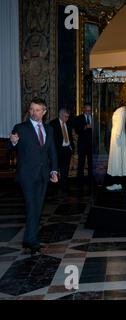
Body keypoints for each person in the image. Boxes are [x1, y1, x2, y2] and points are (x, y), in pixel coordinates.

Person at [8, 98, 58, 255]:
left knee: (38, 207)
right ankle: (32, 241)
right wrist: (13, 142)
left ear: (44, 111)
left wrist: (54, 171)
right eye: (31, 109)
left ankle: (29, 239)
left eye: (37, 110)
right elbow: (10, 146)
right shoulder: (21, 128)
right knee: (32, 205)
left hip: (43, 175)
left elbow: (52, 152)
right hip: (27, 175)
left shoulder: (49, 129)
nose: (34, 112)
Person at [50, 108, 75, 192]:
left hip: (67, 150)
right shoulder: (53, 124)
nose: (67, 119)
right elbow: (51, 139)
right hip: (57, 151)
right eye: (65, 116)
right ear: (60, 115)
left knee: (65, 170)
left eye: (68, 117)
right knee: (55, 169)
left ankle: (64, 187)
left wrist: (72, 148)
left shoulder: (68, 124)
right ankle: (54, 187)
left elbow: (70, 137)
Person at [74, 104, 93, 187]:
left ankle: (90, 180)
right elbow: (77, 130)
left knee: (91, 163)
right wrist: (86, 127)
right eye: (87, 110)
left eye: (90, 110)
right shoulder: (78, 118)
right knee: (81, 163)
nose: (89, 112)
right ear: (84, 110)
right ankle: (80, 182)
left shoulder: (94, 118)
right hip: (82, 145)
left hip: (91, 145)